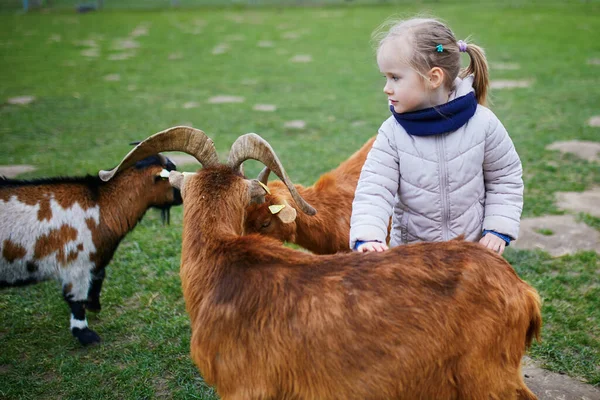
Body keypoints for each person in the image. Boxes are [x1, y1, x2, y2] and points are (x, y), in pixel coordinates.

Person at [349, 17, 523, 255]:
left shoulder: (484, 123)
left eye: (395, 77)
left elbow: (505, 178)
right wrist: (368, 236)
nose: (386, 88)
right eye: (386, 77)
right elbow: (373, 190)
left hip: (472, 256)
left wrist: (496, 229)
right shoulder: (392, 133)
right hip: (414, 260)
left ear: (433, 78)